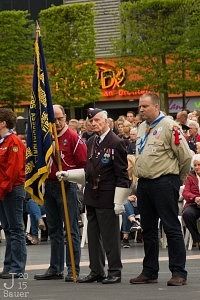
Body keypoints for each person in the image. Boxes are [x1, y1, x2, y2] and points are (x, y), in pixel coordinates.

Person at [57, 108, 131, 284]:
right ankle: (96, 270)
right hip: (92, 195)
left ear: (107, 121)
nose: (94, 123)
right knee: (93, 235)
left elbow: (122, 175)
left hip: (107, 196)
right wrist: (69, 174)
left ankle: (114, 270)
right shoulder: (90, 141)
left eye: (97, 120)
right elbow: (88, 171)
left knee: (110, 237)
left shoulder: (116, 142)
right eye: (92, 121)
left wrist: (119, 201)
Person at [130, 93, 192, 286]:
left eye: (145, 106)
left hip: (164, 182)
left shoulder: (169, 125)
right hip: (145, 183)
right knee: (148, 229)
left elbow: (186, 157)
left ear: (156, 107)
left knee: (171, 226)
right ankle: (149, 271)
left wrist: (176, 179)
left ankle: (178, 272)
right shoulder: (141, 127)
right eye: (140, 106)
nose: (141, 109)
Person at [34, 104, 87, 282]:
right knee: (54, 229)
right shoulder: (46, 137)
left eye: (60, 118)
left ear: (65, 117)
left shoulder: (73, 137)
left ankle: (73, 268)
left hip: (67, 185)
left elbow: (82, 163)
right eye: (53, 119)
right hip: (49, 185)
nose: (56, 122)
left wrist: (69, 175)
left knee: (71, 229)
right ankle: (55, 268)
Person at [0, 108, 27, 279]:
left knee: (16, 229)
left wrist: (2, 189)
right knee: (9, 229)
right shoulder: (3, 142)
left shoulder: (13, 142)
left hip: (12, 190)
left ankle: (17, 267)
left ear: (3, 123)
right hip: (4, 190)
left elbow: (13, 171)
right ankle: (9, 266)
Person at [182, 154, 200, 250]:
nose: (197, 167)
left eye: (199, 165)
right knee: (187, 214)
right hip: (194, 204)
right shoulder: (190, 176)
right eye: (195, 165)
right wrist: (195, 198)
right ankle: (197, 239)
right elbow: (185, 192)